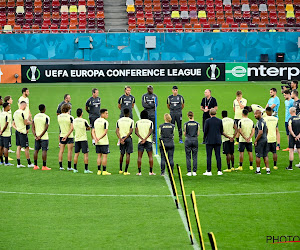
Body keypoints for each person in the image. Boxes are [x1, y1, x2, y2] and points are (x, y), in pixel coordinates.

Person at [12, 101, 34, 168]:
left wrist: (17, 128)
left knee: (18, 147)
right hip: (23, 132)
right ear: (24, 105)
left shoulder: (15, 112)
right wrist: (32, 123)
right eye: (26, 106)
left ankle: (18, 164)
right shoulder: (23, 113)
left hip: (18, 131)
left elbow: (13, 123)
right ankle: (29, 163)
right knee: (26, 147)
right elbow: (25, 123)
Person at [203, 108, 224, 176]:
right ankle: (219, 170)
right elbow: (221, 131)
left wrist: (204, 138)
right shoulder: (220, 121)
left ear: (209, 114)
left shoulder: (207, 121)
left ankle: (209, 171)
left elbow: (205, 131)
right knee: (218, 155)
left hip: (209, 140)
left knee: (209, 156)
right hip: (217, 140)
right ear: (216, 113)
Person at [135, 110, 155, 176]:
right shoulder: (150, 122)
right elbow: (151, 131)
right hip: (148, 141)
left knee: (139, 157)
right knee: (150, 156)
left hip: (140, 141)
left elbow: (136, 132)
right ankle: (151, 171)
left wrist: (142, 139)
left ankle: (139, 172)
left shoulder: (137, 122)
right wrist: (145, 139)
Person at [32, 104, 51, 171]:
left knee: (36, 150)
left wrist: (35, 135)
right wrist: (40, 136)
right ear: (44, 109)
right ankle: (44, 166)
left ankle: (35, 165)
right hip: (44, 137)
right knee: (44, 150)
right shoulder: (46, 117)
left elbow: (33, 127)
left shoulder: (35, 116)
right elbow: (46, 128)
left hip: (36, 137)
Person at [73, 108, 92, 174]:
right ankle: (86, 169)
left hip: (77, 139)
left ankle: (75, 169)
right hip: (83, 139)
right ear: (82, 113)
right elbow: (88, 128)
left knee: (76, 154)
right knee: (85, 154)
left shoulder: (74, 120)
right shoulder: (84, 121)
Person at [116, 108, 134, 175]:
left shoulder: (119, 121)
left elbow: (117, 131)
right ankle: (126, 171)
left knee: (121, 154)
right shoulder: (131, 121)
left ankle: (120, 169)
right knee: (128, 154)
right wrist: (126, 138)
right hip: (128, 138)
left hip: (122, 138)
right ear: (129, 113)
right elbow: (131, 131)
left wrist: (121, 139)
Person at [93, 109, 111, 176]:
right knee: (104, 156)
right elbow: (105, 132)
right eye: (106, 113)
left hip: (97, 142)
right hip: (104, 142)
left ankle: (98, 171)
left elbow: (93, 131)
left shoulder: (96, 121)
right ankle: (104, 171)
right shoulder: (105, 122)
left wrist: (95, 139)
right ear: (102, 114)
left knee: (98, 156)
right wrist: (99, 138)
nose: (107, 115)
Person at [57, 103, 74, 171]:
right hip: (69, 136)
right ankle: (69, 167)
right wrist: (67, 136)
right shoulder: (70, 117)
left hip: (62, 135)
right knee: (69, 151)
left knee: (61, 151)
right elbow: (72, 128)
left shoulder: (59, 117)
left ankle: (61, 166)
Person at [254, 110, 270, 174]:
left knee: (258, 155)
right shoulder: (264, 121)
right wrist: (265, 136)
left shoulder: (259, 122)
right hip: (265, 140)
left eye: (256, 114)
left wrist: (256, 140)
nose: (255, 115)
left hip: (260, 141)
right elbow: (267, 129)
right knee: (265, 155)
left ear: (260, 114)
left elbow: (260, 132)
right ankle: (268, 170)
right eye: (254, 114)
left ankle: (258, 170)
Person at [184, 111, 200, 176]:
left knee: (188, 156)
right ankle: (194, 171)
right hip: (195, 140)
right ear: (193, 115)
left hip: (188, 140)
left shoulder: (186, 124)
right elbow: (198, 133)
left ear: (188, 116)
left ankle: (189, 171)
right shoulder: (197, 124)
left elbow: (184, 133)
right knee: (195, 156)